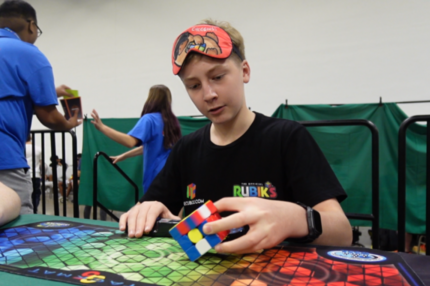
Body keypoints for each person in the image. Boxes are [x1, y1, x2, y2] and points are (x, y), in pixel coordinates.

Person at [119, 20, 352, 254]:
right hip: (199, 283)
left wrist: (296, 219)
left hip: (272, 282)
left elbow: (343, 234)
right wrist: (146, 212)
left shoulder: (286, 138)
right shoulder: (186, 149)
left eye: (218, 77)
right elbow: (152, 211)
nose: (208, 94)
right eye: (194, 85)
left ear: (245, 71)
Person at [0, 0, 80, 214]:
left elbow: (8, 89)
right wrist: (68, 124)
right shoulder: (28, 53)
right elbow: (48, 116)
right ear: (31, 25)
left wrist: (51, 90)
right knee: (15, 230)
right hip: (4, 158)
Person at [91, 84, 182, 191]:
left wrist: (103, 128)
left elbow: (130, 141)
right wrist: (123, 156)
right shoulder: (172, 122)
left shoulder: (149, 119)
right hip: (173, 178)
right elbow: (152, 146)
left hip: (156, 180)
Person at [25, 134, 42, 212]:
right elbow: (41, 162)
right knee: (36, 193)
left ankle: (26, 210)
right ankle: (34, 210)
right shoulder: (38, 148)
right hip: (35, 174)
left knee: (24, 194)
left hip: (24, 174)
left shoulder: (21, 147)